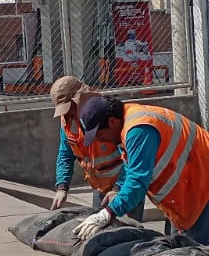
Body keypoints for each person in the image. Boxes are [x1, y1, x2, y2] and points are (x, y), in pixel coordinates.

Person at [70, 96, 209, 248]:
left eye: (99, 134)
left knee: (196, 252)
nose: (100, 140)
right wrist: (118, 189)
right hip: (193, 182)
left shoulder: (139, 129)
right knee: (180, 249)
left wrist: (108, 213)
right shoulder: (128, 123)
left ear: (112, 122)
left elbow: (137, 183)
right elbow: (132, 164)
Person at [47, 75, 140, 220]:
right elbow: (65, 154)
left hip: (126, 186)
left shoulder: (105, 114)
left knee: (129, 229)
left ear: (78, 100)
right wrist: (62, 187)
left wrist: (118, 189)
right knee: (98, 225)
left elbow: (131, 160)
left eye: (69, 107)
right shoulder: (67, 123)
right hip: (100, 187)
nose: (68, 113)